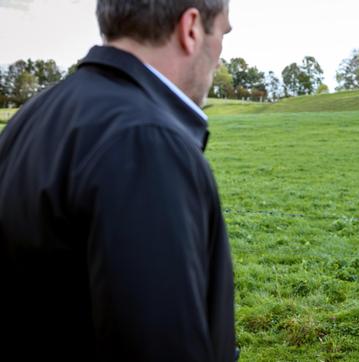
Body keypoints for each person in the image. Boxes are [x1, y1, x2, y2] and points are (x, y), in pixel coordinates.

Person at [0, 1, 237, 360]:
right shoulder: (146, 140)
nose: (219, 56)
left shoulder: (34, 114)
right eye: (222, 33)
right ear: (190, 28)